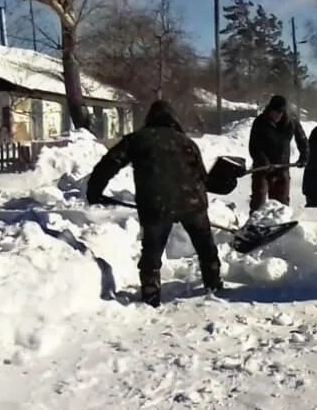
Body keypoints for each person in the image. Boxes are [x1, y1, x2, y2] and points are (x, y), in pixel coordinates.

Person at [86, 99, 222, 306]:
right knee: (205, 246)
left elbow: (110, 162)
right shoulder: (187, 142)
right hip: (193, 203)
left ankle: (151, 294)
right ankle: (213, 284)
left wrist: (94, 191)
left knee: (152, 251)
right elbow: (203, 177)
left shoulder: (137, 139)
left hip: (156, 205)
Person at [248, 94, 308, 211]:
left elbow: (302, 139)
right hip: (262, 169)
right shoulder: (260, 122)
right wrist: (264, 162)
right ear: (270, 110)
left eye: (280, 113)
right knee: (259, 199)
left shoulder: (291, 122)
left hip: (282, 167)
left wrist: (304, 156)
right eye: (275, 112)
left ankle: (280, 224)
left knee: (281, 204)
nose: (277, 115)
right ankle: (255, 224)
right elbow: (254, 147)